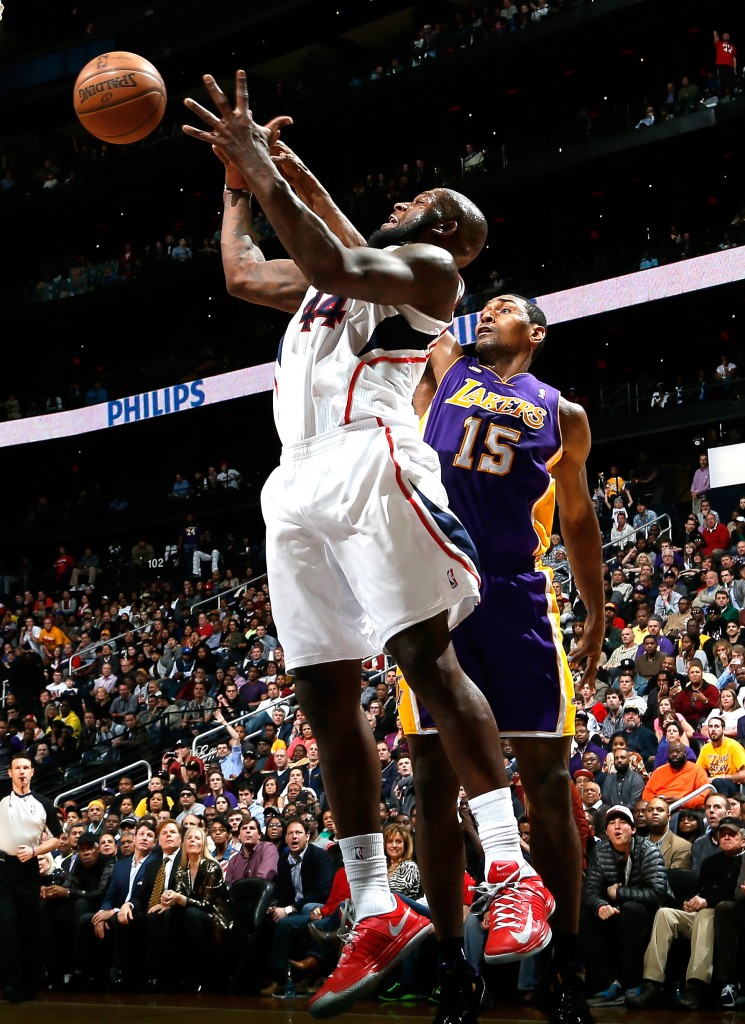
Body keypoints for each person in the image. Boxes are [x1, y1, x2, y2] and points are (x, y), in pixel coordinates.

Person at [183, 72, 545, 1021]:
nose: (401, 206)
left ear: (452, 238)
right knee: (323, 693)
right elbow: (243, 273)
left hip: (372, 460)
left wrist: (269, 167)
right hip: (293, 479)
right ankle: (377, 908)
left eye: (420, 204)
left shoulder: (430, 277)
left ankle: (511, 870)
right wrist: (242, 190)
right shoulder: (326, 273)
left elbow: (343, 256)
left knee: (424, 656)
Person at [627, 815, 744, 1011]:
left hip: (725, 917)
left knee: (706, 914)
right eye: (722, 834)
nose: (725, 837)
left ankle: (696, 986)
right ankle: (652, 983)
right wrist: (691, 903)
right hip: (700, 914)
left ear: (743, 839)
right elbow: (701, 891)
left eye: (731, 834)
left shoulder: (743, 862)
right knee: (665, 913)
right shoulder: (710, 862)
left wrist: (707, 901)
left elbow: (736, 895)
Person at [580, 804, 669, 1007]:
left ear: (634, 829)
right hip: (616, 909)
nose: (617, 828)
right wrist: (600, 905)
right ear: (606, 830)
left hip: (648, 910)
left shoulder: (649, 850)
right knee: (586, 917)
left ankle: (632, 983)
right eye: (612, 823)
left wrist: (619, 892)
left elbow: (658, 892)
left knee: (631, 910)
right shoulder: (600, 851)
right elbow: (590, 891)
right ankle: (610, 983)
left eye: (623, 823)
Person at [0, 753, 63, 1002]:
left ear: (32, 772)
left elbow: (59, 838)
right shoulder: (1, 801)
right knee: (6, 927)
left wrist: (36, 851)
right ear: (10, 773)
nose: (22, 772)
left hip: (29, 871)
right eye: (18, 768)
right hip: (3, 869)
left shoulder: (44, 803)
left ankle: (28, 984)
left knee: (28, 928)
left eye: (26, 767)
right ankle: (12, 985)